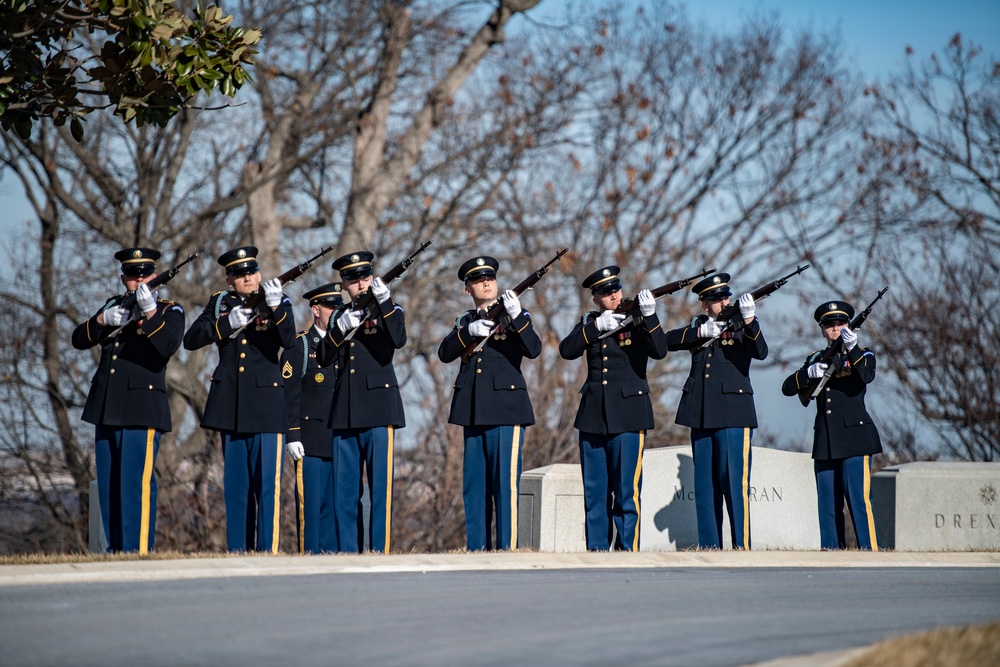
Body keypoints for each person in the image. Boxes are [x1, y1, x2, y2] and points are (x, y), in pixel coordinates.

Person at [183, 245, 296, 553]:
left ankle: (267, 551)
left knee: (267, 488)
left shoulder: (278, 300)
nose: (248, 278)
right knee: (236, 489)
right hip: (231, 406)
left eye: (252, 272)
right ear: (229, 279)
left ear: (259, 273)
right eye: (240, 274)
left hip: (266, 406)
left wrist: (276, 308)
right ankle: (238, 552)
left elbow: (289, 341)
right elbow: (192, 339)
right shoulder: (220, 303)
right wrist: (227, 323)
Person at [71, 247, 184, 553]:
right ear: (124, 279)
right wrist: (103, 319)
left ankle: (137, 551)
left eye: (145, 275)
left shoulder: (169, 310)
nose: (140, 282)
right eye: (133, 277)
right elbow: (79, 339)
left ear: (155, 276)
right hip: (106, 407)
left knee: (135, 486)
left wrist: (149, 314)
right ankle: (117, 550)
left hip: (141, 409)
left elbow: (167, 346)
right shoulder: (113, 306)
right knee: (109, 487)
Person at [558, 266, 667, 551]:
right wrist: (595, 328)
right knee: (595, 493)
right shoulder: (590, 322)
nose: (614, 295)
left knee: (626, 493)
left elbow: (659, 350)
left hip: (629, 415)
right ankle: (596, 551)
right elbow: (567, 350)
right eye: (606, 293)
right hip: (594, 417)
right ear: (596, 299)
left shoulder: (638, 319)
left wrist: (649, 315)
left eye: (616, 289)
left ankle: (626, 550)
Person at [437, 256, 542, 551]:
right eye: (478, 280)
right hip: (472, 411)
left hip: (506, 410)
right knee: (475, 489)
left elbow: (533, 348)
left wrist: (516, 315)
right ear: (467, 289)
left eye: (491, 278)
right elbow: (445, 352)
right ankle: (477, 550)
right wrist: (468, 332)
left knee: (505, 488)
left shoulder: (516, 316)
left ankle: (506, 549)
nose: (487, 282)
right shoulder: (465, 322)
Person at [665, 272, 766, 550]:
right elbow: (665, 342)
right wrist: (700, 332)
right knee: (705, 487)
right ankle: (710, 546)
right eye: (716, 299)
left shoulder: (743, 324)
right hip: (701, 413)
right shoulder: (698, 326)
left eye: (725, 297)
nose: (724, 302)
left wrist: (749, 320)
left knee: (733, 483)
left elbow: (761, 351)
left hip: (734, 413)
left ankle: (741, 546)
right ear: (704, 305)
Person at [316, 251, 406, 553]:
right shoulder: (341, 317)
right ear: (344, 285)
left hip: (380, 408)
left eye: (366, 278)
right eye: (354, 281)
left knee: (380, 491)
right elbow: (322, 358)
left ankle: (380, 551)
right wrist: (338, 331)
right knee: (344, 493)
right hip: (345, 411)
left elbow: (398, 339)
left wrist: (384, 303)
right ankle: (347, 552)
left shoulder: (389, 309)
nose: (361, 285)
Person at [781, 300, 881, 550]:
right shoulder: (816, 358)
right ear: (822, 329)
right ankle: (831, 553)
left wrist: (852, 347)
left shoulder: (863, 353)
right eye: (830, 325)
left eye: (840, 324)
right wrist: (808, 373)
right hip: (826, 439)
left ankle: (869, 552)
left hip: (855, 438)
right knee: (827, 504)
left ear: (849, 326)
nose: (835, 329)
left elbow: (866, 376)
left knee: (858, 501)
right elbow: (787, 388)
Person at [280, 282, 345, 554]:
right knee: (312, 507)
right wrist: (292, 434)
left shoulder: (346, 340)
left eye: (339, 307)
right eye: (331, 307)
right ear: (316, 310)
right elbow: (289, 392)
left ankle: (333, 558)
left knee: (337, 505)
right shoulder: (301, 346)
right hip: (312, 440)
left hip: (341, 439)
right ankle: (310, 558)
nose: (337, 312)